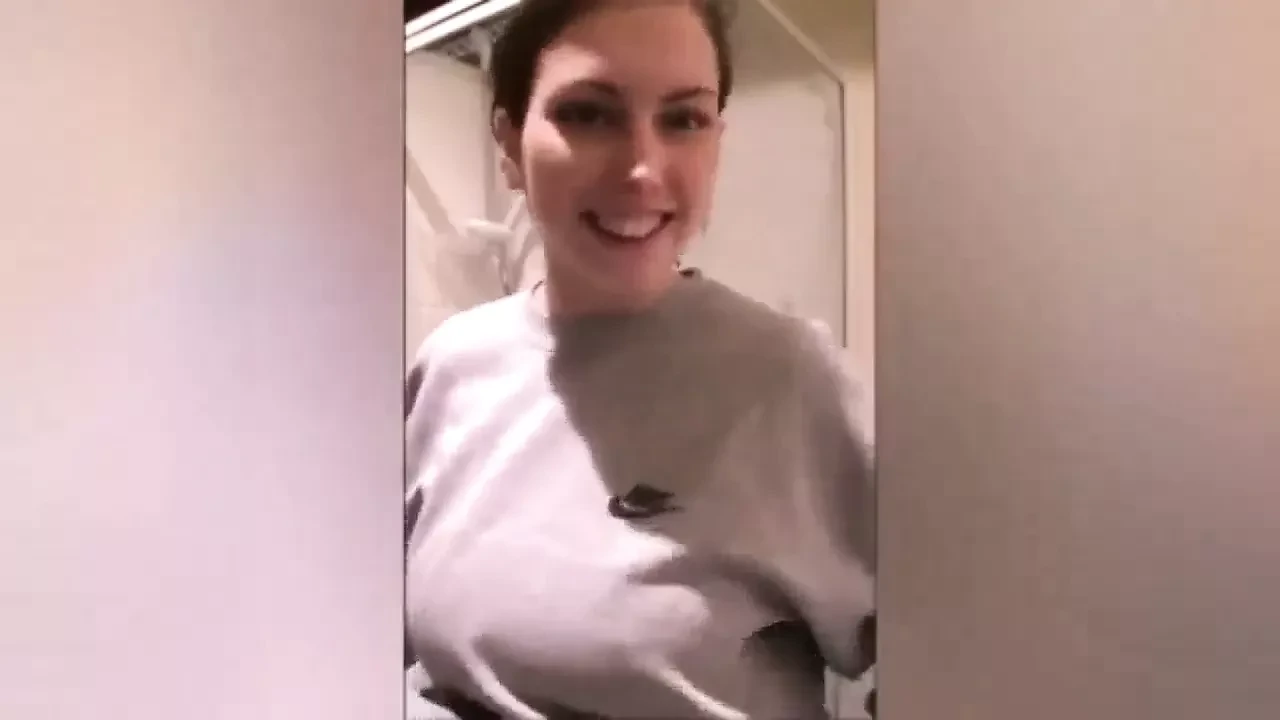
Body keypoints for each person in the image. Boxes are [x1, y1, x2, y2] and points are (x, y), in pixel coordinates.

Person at [404, 0, 875, 717]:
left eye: (684, 119)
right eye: (589, 114)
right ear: (509, 145)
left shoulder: (793, 380)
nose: (643, 169)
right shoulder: (453, 362)